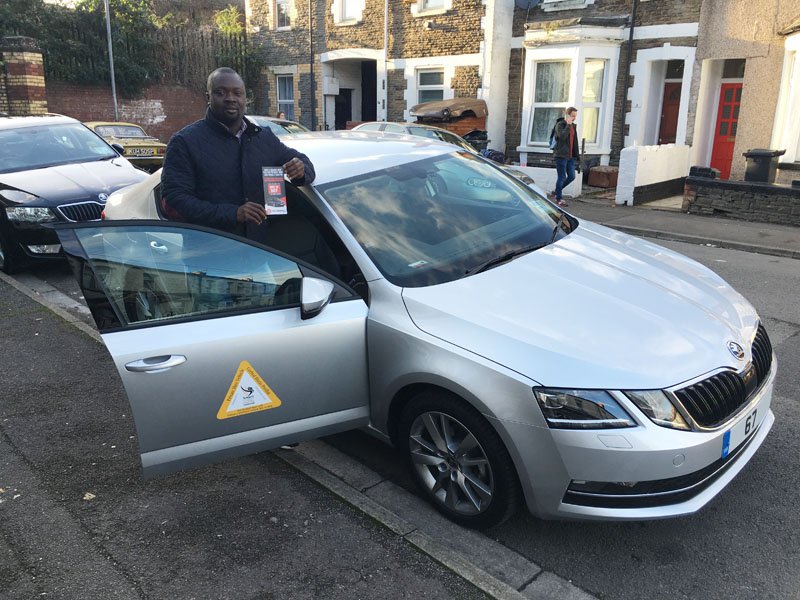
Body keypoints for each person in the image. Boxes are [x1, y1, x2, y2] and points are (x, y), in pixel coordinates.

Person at [162, 67, 314, 238]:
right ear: (208, 97)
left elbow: (303, 161)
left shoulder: (264, 137)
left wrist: (301, 170)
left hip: (259, 251)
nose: (230, 99)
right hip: (207, 252)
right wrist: (233, 214)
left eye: (237, 93)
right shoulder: (184, 142)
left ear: (244, 98)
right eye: (220, 93)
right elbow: (175, 199)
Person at [552, 107, 579, 208]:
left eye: (575, 116)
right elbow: (562, 137)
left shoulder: (573, 126)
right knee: (562, 177)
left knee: (572, 176)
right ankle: (558, 198)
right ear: (567, 115)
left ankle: (557, 191)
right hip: (561, 156)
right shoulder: (560, 125)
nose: (574, 118)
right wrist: (567, 124)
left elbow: (574, 142)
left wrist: (577, 155)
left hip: (570, 157)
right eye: (572, 116)